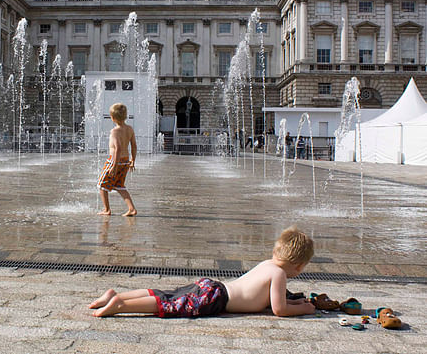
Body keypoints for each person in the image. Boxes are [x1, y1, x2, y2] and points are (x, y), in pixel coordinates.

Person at [89, 226, 315, 318]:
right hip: (217, 298)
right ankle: (121, 305)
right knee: (172, 305)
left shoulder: (268, 264)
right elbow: (278, 308)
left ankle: (115, 295)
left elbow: (271, 300)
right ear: (299, 265)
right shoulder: (280, 275)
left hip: (213, 286)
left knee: (167, 294)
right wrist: (303, 309)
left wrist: (297, 302)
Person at [97, 103, 138, 217]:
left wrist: (114, 167)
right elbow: (134, 145)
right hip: (125, 161)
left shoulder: (114, 131)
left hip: (114, 161)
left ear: (112, 118)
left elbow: (118, 149)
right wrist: (133, 160)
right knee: (119, 186)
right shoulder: (129, 129)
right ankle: (131, 208)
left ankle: (107, 209)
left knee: (101, 185)